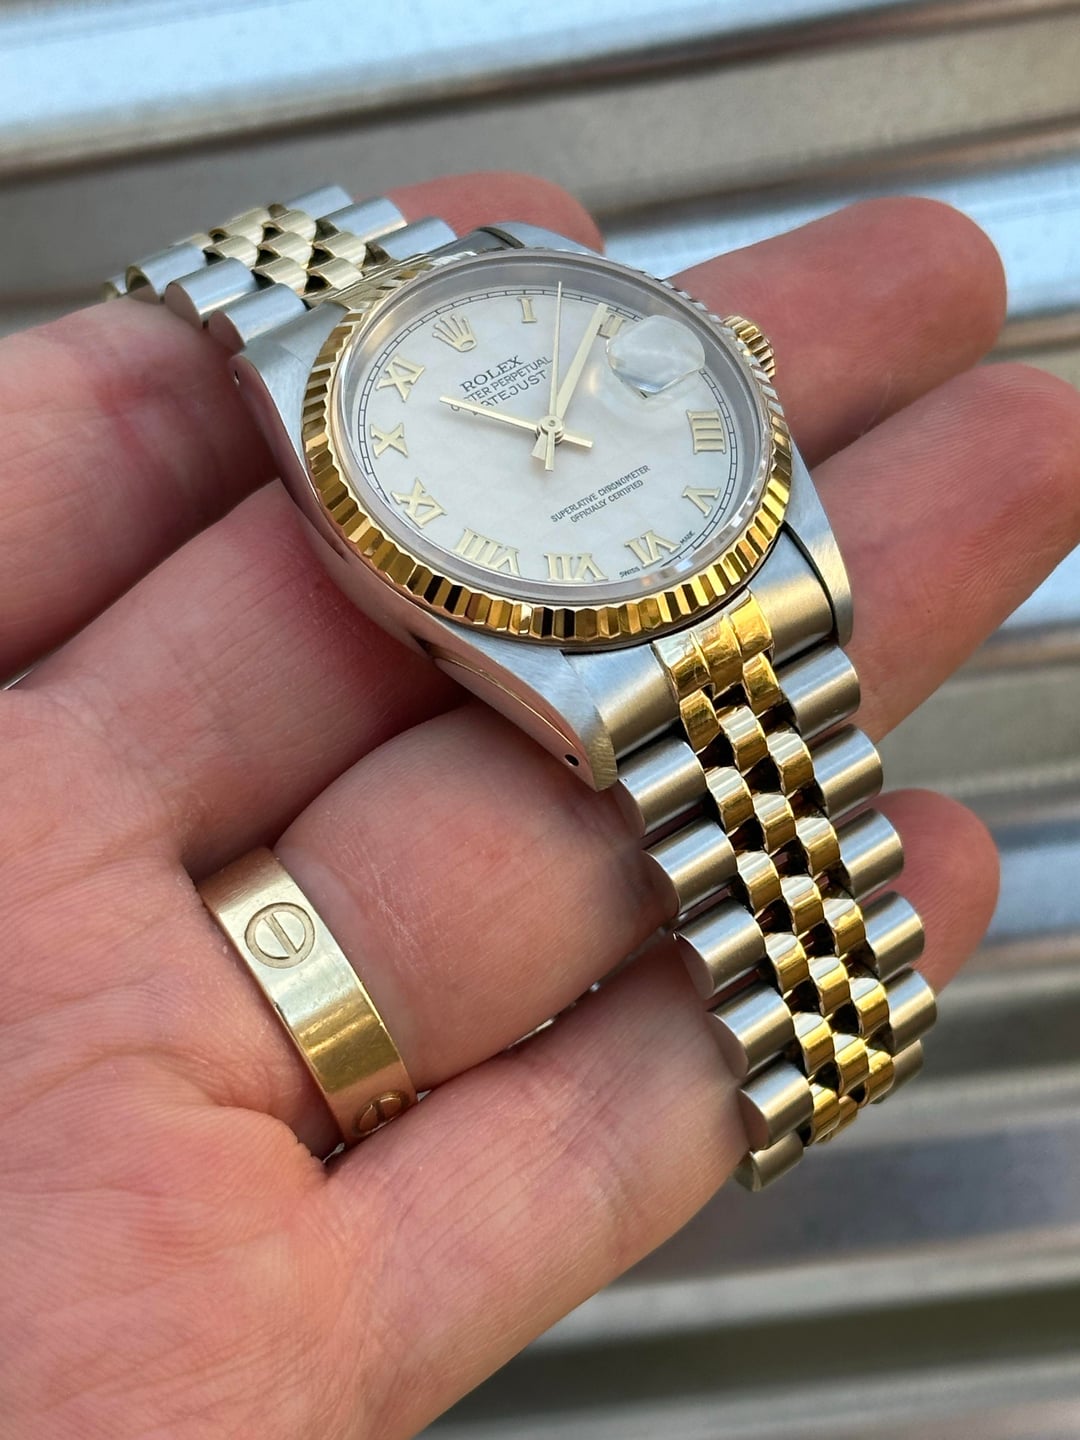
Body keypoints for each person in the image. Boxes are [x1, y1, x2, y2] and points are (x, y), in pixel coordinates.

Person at [0, 169, 1073, 1439]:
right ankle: (828, 1022)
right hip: (589, 640)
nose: (542, 439)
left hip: (726, 559)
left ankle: (830, 1015)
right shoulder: (337, 427)